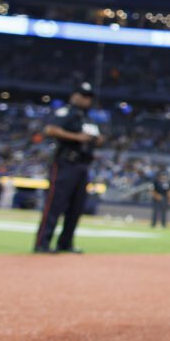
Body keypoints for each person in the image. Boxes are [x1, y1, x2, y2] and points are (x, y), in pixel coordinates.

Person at [34, 81, 102, 253]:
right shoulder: (66, 112)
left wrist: (97, 140)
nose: (86, 100)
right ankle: (42, 243)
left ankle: (65, 243)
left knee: (76, 207)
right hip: (65, 163)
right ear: (75, 96)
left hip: (83, 165)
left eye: (89, 97)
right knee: (55, 203)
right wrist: (77, 137)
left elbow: (96, 137)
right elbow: (50, 130)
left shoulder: (88, 118)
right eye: (83, 96)